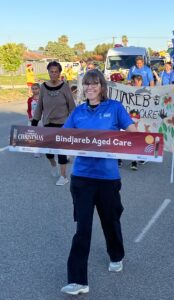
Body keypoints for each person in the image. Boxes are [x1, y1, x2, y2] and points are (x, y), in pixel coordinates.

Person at [60, 69, 137, 296]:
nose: (90, 87)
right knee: (82, 228)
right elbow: (63, 137)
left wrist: (147, 141)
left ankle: (116, 255)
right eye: (86, 84)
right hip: (82, 177)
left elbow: (132, 133)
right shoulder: (78, 111)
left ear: (102, 86)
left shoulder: (114, 108)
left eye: (94, 84)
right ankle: (78, 280)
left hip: (107, 178)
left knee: (110, 221)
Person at [31, 61, 75, 186]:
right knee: (49, 152)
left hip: (62, 124)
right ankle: (53, 164)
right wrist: (34, 122)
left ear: (59, 73)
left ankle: (63, 176)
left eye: (56, 72)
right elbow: (39, 106)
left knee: (61, 151)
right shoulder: (43, 87)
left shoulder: (65, 87)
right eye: (51, 71)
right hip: (48, 123)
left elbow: (71, 105)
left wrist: (75, 122)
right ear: (48, 72)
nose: (53, 74)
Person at [27, 83, 41, 158]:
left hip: (41, 119)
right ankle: (36, 151)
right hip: (32, 119)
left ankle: (42, 148)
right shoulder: (30, 100)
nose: (34, 90)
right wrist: (30, 117)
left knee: (41, 134)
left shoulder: (43, 98)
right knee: (33, 134)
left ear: (39, 89)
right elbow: (29, 110)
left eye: (36, 88)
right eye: (33, 89)